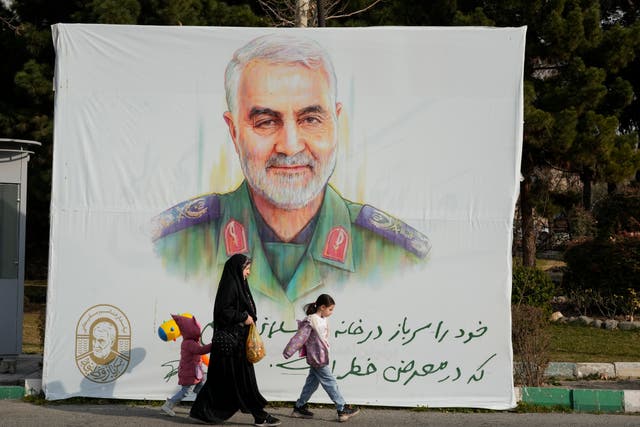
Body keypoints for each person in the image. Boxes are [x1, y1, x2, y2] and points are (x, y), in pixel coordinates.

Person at [152, 33, 431, 306]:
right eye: (265, 121)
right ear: (234, 132)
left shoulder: (397, 255)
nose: (290, 146)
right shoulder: (172, 247)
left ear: (336, 123)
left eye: (310, 119)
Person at [189, 254, 281, 426]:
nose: (248, 273)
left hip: (236, 343)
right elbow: (224, 312)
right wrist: (244, 317)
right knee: (241, 380)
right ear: (237, 269)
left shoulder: (239, 284)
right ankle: (259, 415)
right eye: (246, 269)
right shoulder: (231, 285)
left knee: (225, 380)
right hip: (231, 345)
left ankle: (202, 411)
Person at [283, 294, 359, 422]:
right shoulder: (311, 320)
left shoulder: (321, 319)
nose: (331, 312)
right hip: (317, 358)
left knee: (311, 384)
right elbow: (300, 337)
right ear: (322, 307)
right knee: (330, 383)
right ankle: (342, 409)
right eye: (330, 309)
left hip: (319, 356)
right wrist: (288, 351)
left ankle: (299, 407)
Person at [160, 314, 212, 417]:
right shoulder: (189, 343)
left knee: (201, 387)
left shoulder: (191, 341)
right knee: (186, 392)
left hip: (196, 372)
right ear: (190, 331)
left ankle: (200, 407)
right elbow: (200, 350)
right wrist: (213, 345)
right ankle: (168, 404)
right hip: (190, 373)